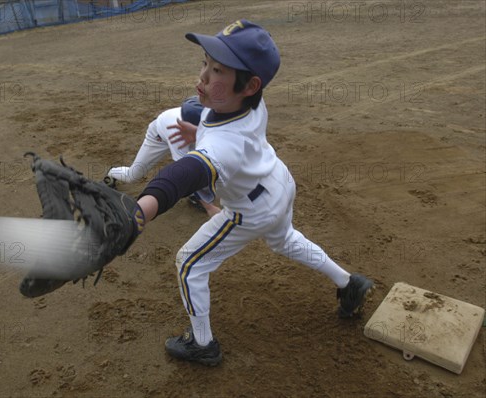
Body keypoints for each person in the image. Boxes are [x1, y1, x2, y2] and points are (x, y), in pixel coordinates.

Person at [131, 20, 374, 366]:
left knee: (189, 263)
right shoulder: (252, 103)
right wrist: (199, 130)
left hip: (251, 209)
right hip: (279, 183)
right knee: (284, 239)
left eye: (217, 70)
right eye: (205, 63)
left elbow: (185, 174)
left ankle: (203, 345)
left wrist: (141, 209)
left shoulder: (221, 145)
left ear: (250, 85)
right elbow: (218, 121)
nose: (202, 77)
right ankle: (348, 283)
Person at [105, 96, 221, 217]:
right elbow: (185, 171)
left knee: (206, 161)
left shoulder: (205, 116)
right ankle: (112, 173)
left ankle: (195, 197)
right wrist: (210, 207)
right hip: (159, 137)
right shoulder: (177, 135)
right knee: (133, 175)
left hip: (181, 130)